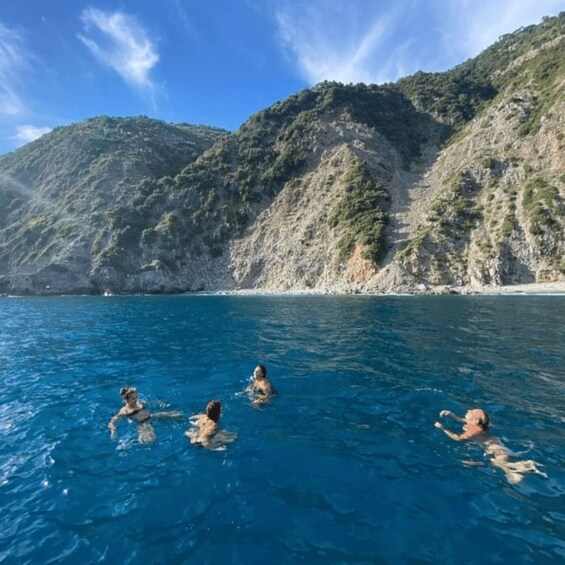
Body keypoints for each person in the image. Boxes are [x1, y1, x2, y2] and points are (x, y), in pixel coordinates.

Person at [435, 408, 546, 484]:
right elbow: (463, 420)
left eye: (472, 412)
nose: (469, 411)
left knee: (499, 464)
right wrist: (451, 415)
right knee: (499, 462)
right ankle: (520, 467)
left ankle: (521, 468)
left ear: (475, 421)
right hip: (496, 444)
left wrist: (443, 429)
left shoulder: (473, 432)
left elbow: (457, 438)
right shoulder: (482, 425)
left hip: (494, 448)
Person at [108, 387, 182, 443]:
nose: (136, 400)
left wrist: (159, 403)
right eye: (133, 399)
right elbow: (113, 421)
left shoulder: (139, 403)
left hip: (152, 416)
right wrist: (113, 431)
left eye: (136, 397)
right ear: (126, 400)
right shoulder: (125, 411)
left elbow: (149, 402)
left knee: (177, 414)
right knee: (150, 440)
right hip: (143, 423)